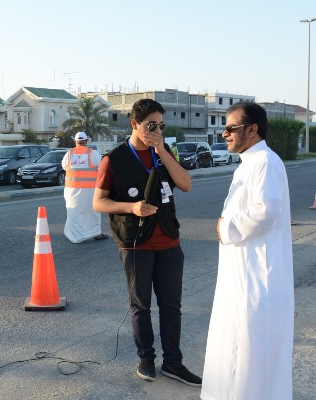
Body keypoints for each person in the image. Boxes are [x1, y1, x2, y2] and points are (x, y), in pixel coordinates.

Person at [93, 99, 201, 387]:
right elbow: (99, 202)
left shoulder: (163, 153)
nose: (157, 131)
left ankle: (173, 363)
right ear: (134, 124)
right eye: (151, 125)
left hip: (169, 242)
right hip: (136, 243)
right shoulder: (114, 159)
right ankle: (146, 359)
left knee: (171, 306)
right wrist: (131, 208)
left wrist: (162, 150)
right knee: (141, 306)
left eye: (161, 126)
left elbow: (186, 184)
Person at [201, 102, 294, 400]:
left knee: (250, 357)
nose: (224, 133)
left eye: (231, 128)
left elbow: (266, 210)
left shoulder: (266, 162)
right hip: (242, 274)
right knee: (236, 350)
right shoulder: (249, 163)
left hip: (257, 279)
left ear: (252, 130)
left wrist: (225, 227)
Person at [61, 131, 108, 243]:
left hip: (72, 189)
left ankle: (76, 236)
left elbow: (64, 166)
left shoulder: (69, 154)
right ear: (86, 141)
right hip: (90, 189)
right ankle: (96, 234)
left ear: (75, 141)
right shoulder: (93, 153)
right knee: (92, 211)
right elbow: (102, 168)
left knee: (74, 213)